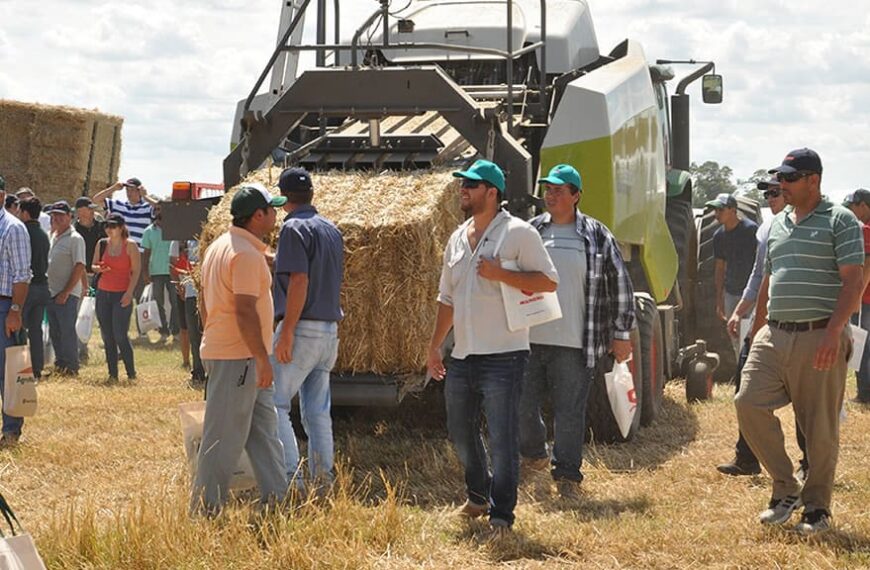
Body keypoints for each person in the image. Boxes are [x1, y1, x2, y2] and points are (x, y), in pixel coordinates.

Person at [736, 148, 864, 534]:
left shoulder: (841, 220)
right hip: (774, 333)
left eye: (790, 179)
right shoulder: (776, 225)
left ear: (814, 180)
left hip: (819, 334)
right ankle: (785, 487)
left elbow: (854, 281)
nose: (782, 185)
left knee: (819, 427)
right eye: (781, 179)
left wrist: (832, 333)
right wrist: (757, 329)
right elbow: (768, 282)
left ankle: (817, 507)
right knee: (747, 402)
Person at [427, 159, 559, 531]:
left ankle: (502, 513)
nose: (462, 189)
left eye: (471, 184)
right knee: (460, 432)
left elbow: (549, 282)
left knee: (503, 438)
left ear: (492, 192)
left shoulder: (518, 233)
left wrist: (501, 273)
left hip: (505, 355)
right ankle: (478, 495)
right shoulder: (456, 236)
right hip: (463, 355)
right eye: (462, 184)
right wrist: (434, 346)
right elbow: (446, 299)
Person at [520, 164, 635, 493]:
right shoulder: (531, 231)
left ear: (576, 195)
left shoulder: (597, 234)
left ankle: (567, 474)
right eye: (548, 189)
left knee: (569, 412)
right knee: (521, 404)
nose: (550, 194)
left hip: (575, 342)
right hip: (528, 338)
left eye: (558, 189)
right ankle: (533, 454)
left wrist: (621, 334)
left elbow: (620, 286)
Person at [191, 183, 288, 516]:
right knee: (223, 438)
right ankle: (205, 512)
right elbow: (245, 310)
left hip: (233, 353)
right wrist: (262, 359)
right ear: (258, 215)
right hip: (241, 358)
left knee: (262, 431)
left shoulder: (222, 246)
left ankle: (277, 500)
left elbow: (205, 301)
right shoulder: (245, 256)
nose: (276, 215)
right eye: (272, 209)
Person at [718, 178, 808, 477]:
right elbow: (758, 276)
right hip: (761, 324)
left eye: (774, 193)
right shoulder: (766, 229)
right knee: (745, 389)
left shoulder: (804, 227)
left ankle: (808, 463)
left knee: (804, 398)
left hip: (793, 325)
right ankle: (747, 458)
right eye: (767, 194)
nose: (770, 198)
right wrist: (740, 311)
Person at [271, 167, 344, 489]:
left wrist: (287, 330)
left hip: (301, 329)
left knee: (274, 402)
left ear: (284, 199)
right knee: (316, 410)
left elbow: (299, 279)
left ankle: (292, 479)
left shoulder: (292, 229)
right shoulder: (331, 229)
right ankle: (323, 477)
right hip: (329, 331)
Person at [706, 192, 758, 360]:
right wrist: (719, 297)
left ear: (733, 210)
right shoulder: (718, 236)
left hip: (750, 294)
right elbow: (720, 267)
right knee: (735, 336)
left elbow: (761, 264)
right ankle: (741, 373)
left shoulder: (751, 231)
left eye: (720, 210)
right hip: (730, 293)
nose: (716, 214)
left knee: (751, 335)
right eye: (715, 210)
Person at [0, 175, 32, 449]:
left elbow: (22, 275)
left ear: (2, 196)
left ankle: (11, 431)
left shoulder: (13, 228)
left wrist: (15, 310)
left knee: (8, 370)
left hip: (4, 305)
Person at [92, 213, 141, 382]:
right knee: (107, 335)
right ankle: (112, 374)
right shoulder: (102, 243)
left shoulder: (131, 246)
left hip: (122, 293)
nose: (109, 230)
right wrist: (99, 269)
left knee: (120, 334)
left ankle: (131, 374)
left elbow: (136, 272)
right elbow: (93, 265)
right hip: (103, 293)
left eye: (113, 226)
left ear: (121, 228)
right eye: (107, 226)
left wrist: (129, 293)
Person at [92, 178, 157, 303]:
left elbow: (162, 209)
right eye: (127, 189)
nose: (129, 192)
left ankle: (140, 320)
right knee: (119, 291)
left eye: (133, 190)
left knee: (140, 294)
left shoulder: (148, 208)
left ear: (139, 191)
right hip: (120, 253)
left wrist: (146, 196)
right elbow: (95, 200)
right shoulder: (118, 206)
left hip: (140, 254)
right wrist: (113, 188)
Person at [45, 201, 86, 376]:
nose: (57, 218)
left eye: (61, 215)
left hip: (66, 294)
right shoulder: (51, 236)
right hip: (51, 292)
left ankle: (71, 366)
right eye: (54, 215)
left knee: (67, 330)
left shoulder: (76, 239)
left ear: (70, 216)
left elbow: (79, 266)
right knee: (55, 330)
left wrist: (66, 292)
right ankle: (60, 363)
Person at [841, 188, 870, 404]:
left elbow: (868, 266)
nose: (852, 211)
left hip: (866, 300)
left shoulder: (867, 230)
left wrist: (856, 297)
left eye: (853, 206)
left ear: (863, 205)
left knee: (863, 346)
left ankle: (864, 394)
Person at [19, 198, 51, 380]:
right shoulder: (43, 234)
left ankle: (20, 366)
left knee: (19, 328)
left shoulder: (23, 233)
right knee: (36, 330)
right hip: (42, 286)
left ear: (24, 213)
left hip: (28, 287)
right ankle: (37, 368)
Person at [141, 203, 179, 342]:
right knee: (158, 302)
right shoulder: (149, 231)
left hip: (172, 271)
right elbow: (146, 254)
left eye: (160, 209)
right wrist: (145, 272)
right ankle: (164, 331)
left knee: (175, 302)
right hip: (156, 272)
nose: (158, 211)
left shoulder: (175, 229)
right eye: (155, 209)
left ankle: (176, 331)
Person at [74, 196, 106, 363]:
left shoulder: (102, 227)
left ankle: (111, 349)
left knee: (104, 313)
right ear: (80, 211)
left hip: (101, 275)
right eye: (90, 208)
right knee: (81, 314)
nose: (93, 211)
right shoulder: (73, 231)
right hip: (80, 276)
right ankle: (81, 351)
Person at [170, 239, 206, 387]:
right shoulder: (184, 242)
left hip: (209, 293)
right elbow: (174, 265)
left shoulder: (210, 238)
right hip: (191, 293)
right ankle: (198, 371)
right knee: (194, 334)